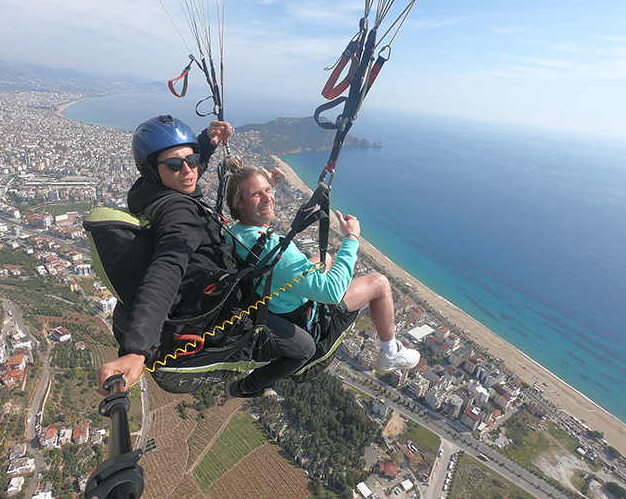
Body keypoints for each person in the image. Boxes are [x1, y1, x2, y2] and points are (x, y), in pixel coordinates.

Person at [96, 116, 315, 398]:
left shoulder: (150, 192)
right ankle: (249, 387)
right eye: (175, 165)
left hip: (211, 291)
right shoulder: (180, 214)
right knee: (304, 349)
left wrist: (206, 143)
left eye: (192, 159)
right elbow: (167, 269)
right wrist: (136, 350)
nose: (188, 170)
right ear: (151, 169)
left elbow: (185, 168)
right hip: (220, 314)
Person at [225, 166, 420, 376]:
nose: (267, 197)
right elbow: (333, 293)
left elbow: (256, 205)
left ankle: (314, 285)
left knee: (325, 258)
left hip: (272, 298)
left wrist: (268, 186)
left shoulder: (237, 234)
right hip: (303, 318)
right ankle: (389, 354)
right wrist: (351, 238)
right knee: (379, 283)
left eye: (267, 191)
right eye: (257, 194)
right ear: (239, 203)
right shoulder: (274, 248)